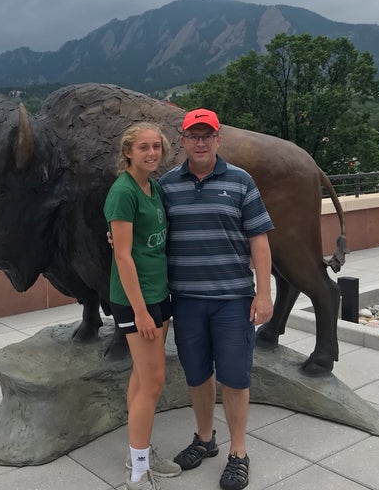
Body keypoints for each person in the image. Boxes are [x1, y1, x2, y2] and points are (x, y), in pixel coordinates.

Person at [160, 108, 274, 490]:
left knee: (235, 378)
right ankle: (205, 439)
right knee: (197, 375)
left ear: (218, 139)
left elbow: (259, 239)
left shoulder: (241, 181)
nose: (201, 141)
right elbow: (149, 230)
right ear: (183, 140)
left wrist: (264, 292)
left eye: (207, 135)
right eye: (194, 135)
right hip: (187, 300)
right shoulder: (167, 185)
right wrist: (117, 236)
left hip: (233, 300)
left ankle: (238, 451)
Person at [103, 123, 182, 490]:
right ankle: (138, 471)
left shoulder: (155, 187)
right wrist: (139, 311)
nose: (152, 153)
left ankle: (140, 452)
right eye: (144, 148)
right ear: (128, 152)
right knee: (153, 381)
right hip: (138, 300)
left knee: (141, 377)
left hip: (158, 292)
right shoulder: (123, 192)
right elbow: (122, 255)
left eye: (157, 147)